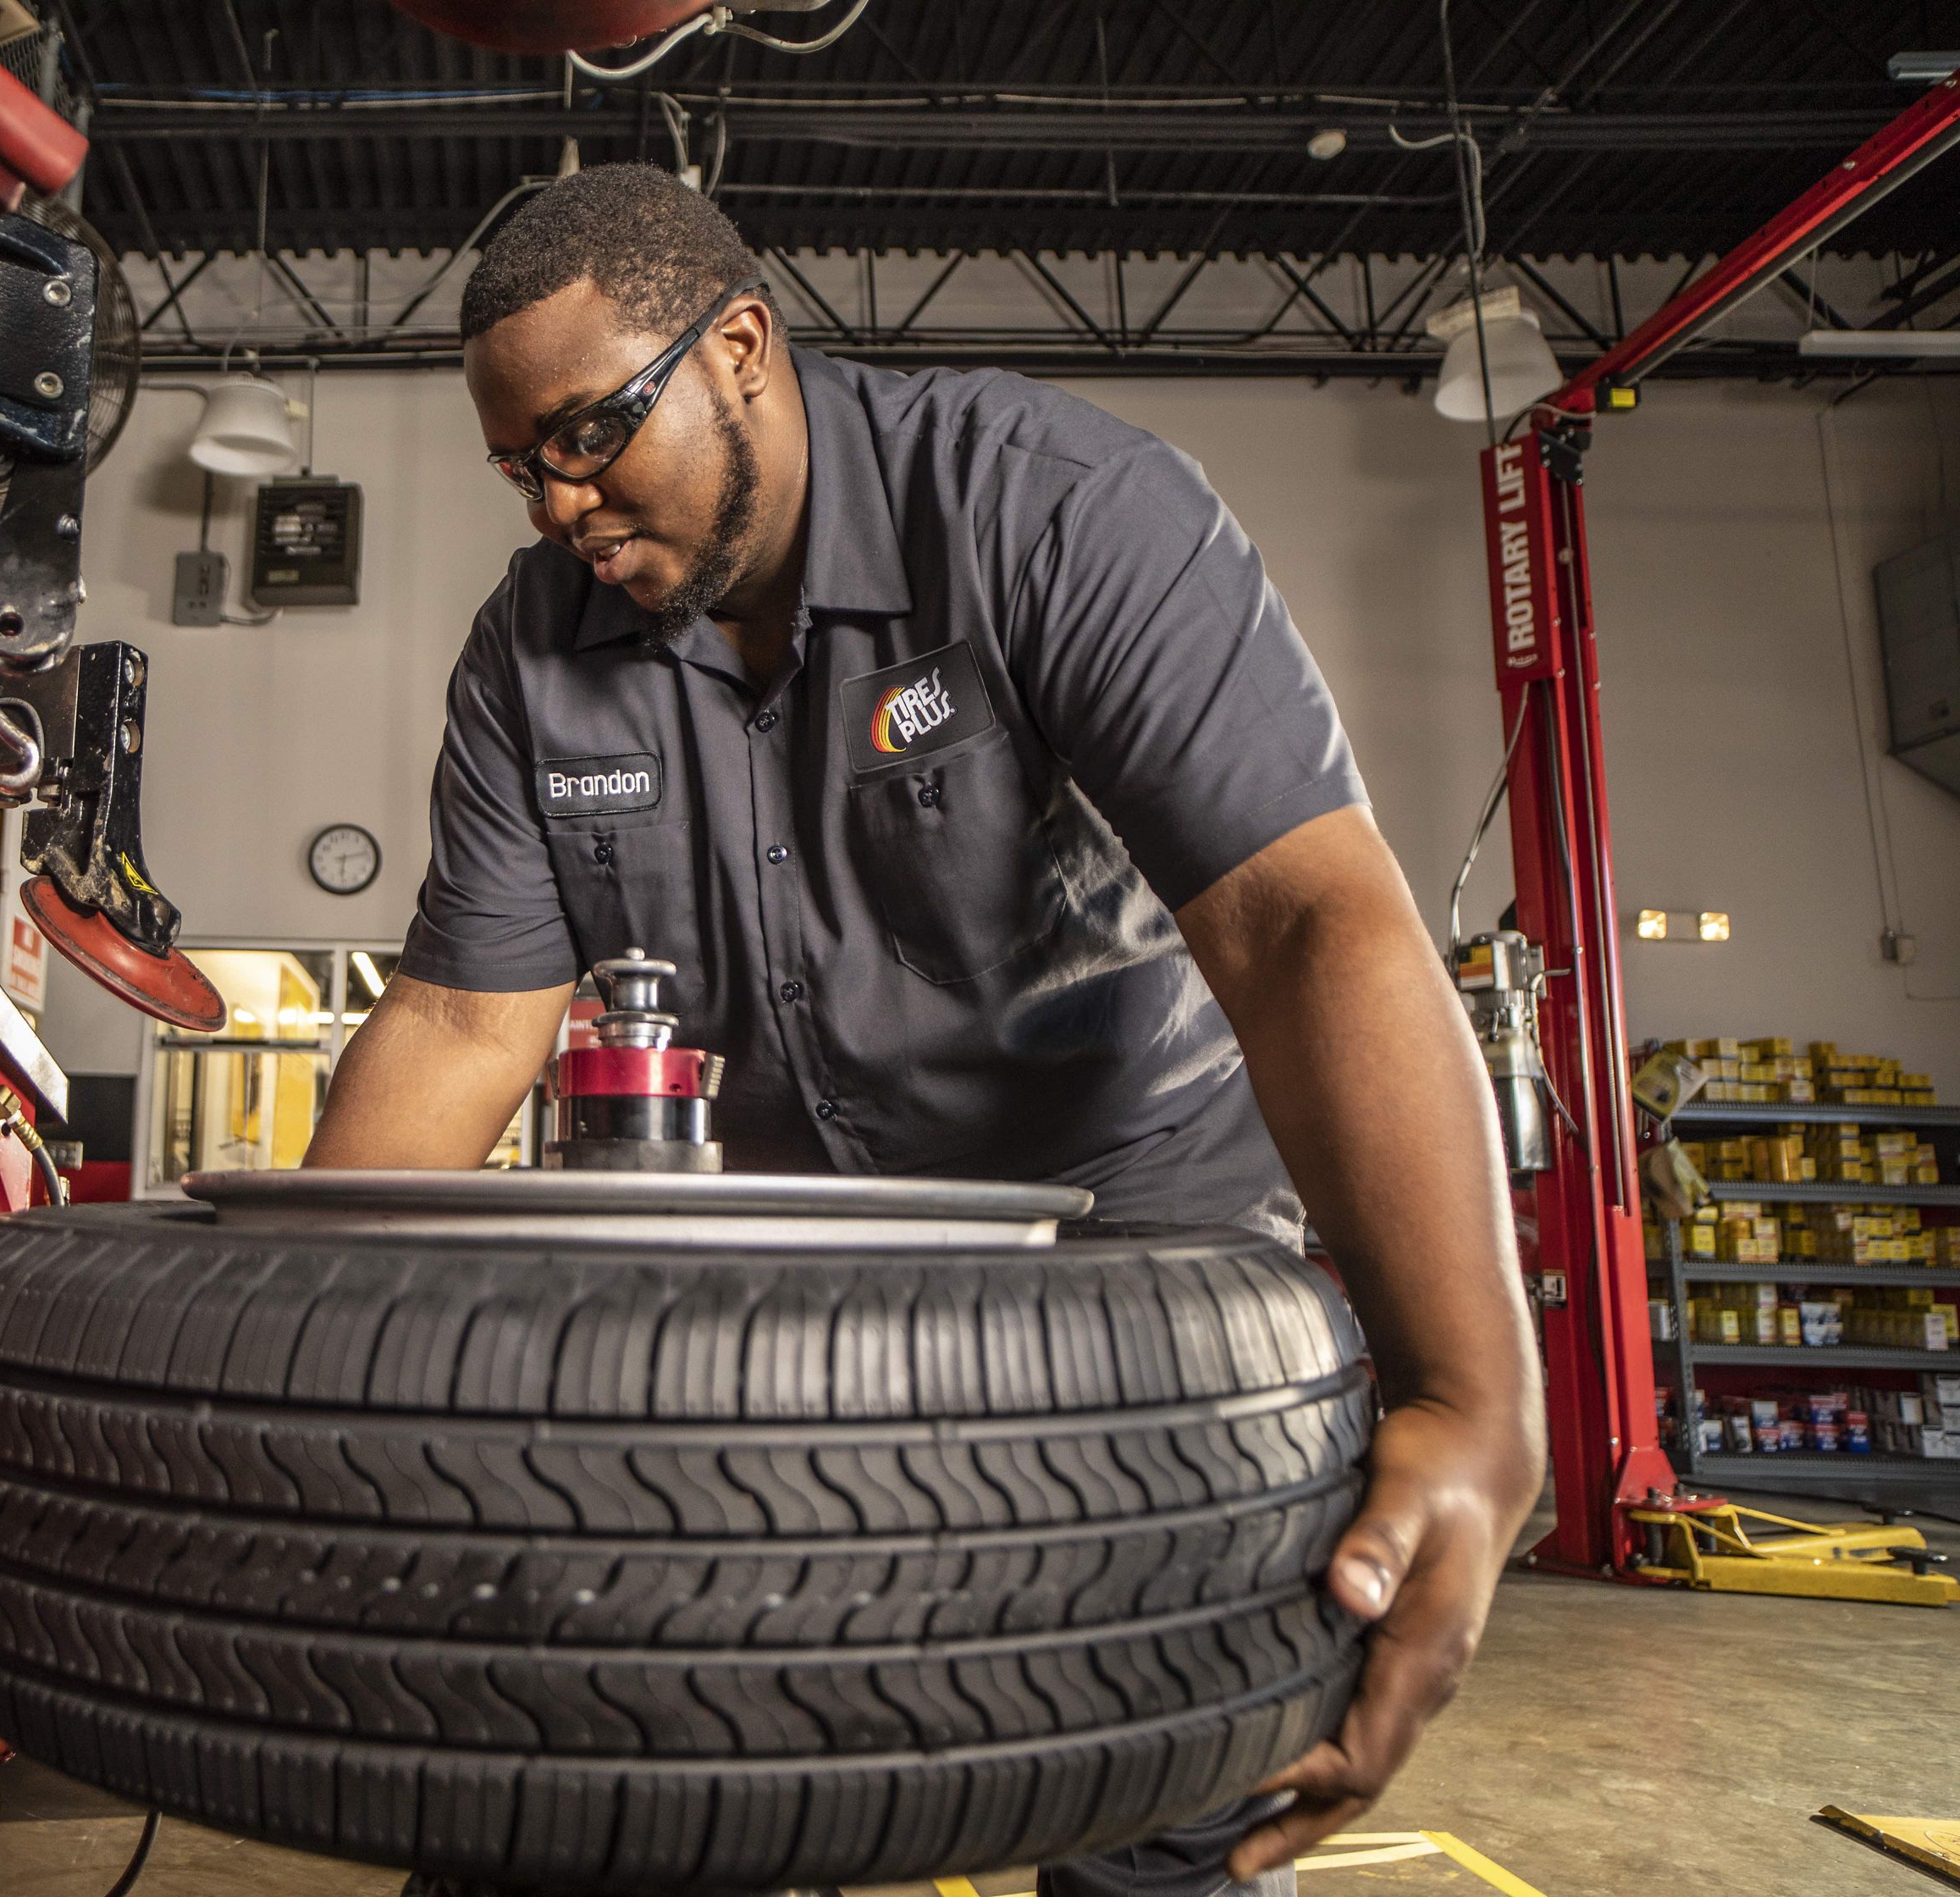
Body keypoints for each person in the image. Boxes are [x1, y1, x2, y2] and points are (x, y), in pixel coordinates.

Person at [304, 163, 1541, 1897]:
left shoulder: (1053, 510)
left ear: (738, 346)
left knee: (1152, 1795)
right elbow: (453, 1024)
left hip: (1126, 1267)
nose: (557, 503)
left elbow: (1300, 923)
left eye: (589, 435)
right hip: (789, 1275)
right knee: (604, 1785)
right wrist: (295, 1401)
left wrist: (1473, 1396)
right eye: (522, 466)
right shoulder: (534, 654)